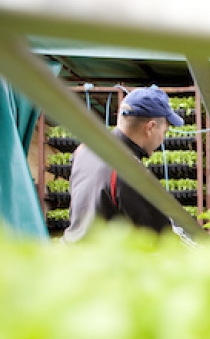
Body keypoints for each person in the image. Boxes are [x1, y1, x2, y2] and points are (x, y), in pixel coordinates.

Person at [63, 87, 185, 243]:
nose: (162, 139)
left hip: (72, 253)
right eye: (165, 132)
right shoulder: (129, 171)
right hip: (103, 263)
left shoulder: (84, 149)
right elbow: (161, 237)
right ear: (150, 127)